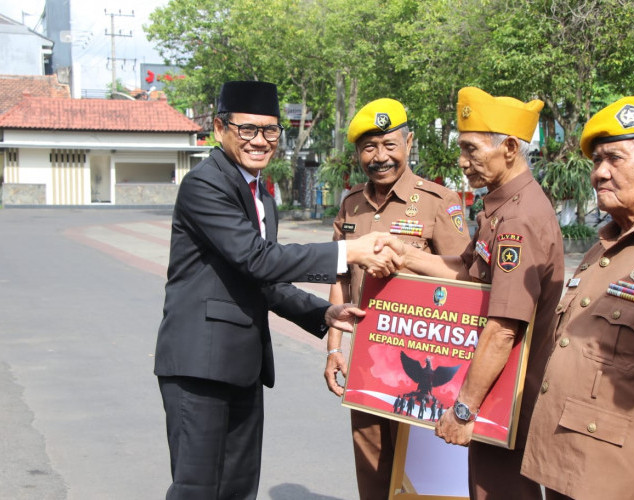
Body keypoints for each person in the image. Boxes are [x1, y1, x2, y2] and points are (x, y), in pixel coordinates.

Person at [154, 80, 400, 500]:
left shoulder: (260, 193)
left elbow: (260, 280)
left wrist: (321, 314)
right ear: (220, 128)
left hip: (242, 364)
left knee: (238, 486)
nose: (260, 141)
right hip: (199, 365)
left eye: (270, 131)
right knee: (197, 489)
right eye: (247, 129)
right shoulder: (205, 184)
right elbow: (257, 259)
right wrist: (349, 251)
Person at [382, 87, 565, 499]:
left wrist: (463, 409)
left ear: (511, 148)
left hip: (504, 397)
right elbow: (465, 270)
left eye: (471, 149)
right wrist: (403, 255)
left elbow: (503, 327)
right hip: (492, 387)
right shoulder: (498, 208)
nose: (462, 162)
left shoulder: (518, 219)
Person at [521, 96, 634, 500]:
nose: (599, 173)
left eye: (615, 159)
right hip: (565, 465)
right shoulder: (605, 247)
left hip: (619, 481)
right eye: (596, 161)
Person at [323, 98, 470, 500]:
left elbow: (467, 278)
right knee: (371, 469)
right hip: (366, 362)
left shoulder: (440, 202)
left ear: (409, 143)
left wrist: (409, 264)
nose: (380, 157)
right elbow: (339, 277)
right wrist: (335, 348)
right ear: (358, 153)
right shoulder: (351, 203)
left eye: (389, 144)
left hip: (421, 364)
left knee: (421, 478)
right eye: (369, 148)